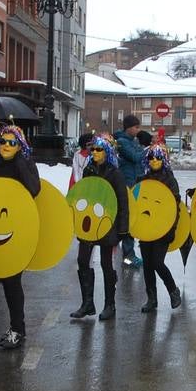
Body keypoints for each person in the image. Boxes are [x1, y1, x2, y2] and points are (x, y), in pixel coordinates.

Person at [0, 124, 40, 349]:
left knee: (12, 282)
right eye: (3, 142)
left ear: (20, 146)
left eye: (12, 142)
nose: (7, 145)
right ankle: (16, 327)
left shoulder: (25, 165)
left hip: (16, 232)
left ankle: (18, 328)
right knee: (4, 280)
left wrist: (20, 163)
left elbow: (34, 189)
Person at [70, 133, 129, 321]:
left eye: (99, 149)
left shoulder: (115, 173)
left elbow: (122, 202)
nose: (94, 152)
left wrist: (122, 229)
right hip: (89, 223)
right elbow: (83, 194)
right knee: (82, 260)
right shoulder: (89, 170)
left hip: (107, 223)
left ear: (107, 152)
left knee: (106, 264)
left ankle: (109, 305)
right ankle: (87, 303)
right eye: (93, 149)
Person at [136, 143, 183, 312]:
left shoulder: (170, 180)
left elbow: (174, 207)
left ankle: (173, 290)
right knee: (147, 265)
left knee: (157, 262)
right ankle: (152, 299)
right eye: (151, 158)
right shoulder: (142, 179)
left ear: (164, 160)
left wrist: (171, 229)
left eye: (157, 158)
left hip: (163, 229)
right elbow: (136, 203)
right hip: (146, 228)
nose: (154, 161)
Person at [114, 115, 143, 268]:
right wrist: (147, 150)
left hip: (135, 183)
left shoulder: (133, 141)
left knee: (134, 218)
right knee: (128, 219)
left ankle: (129, 252)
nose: (138, 130)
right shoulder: (122, 143)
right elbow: (135, 157)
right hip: (127, 184)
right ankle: (128, 255)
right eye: (136, 127)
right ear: (129, 127)